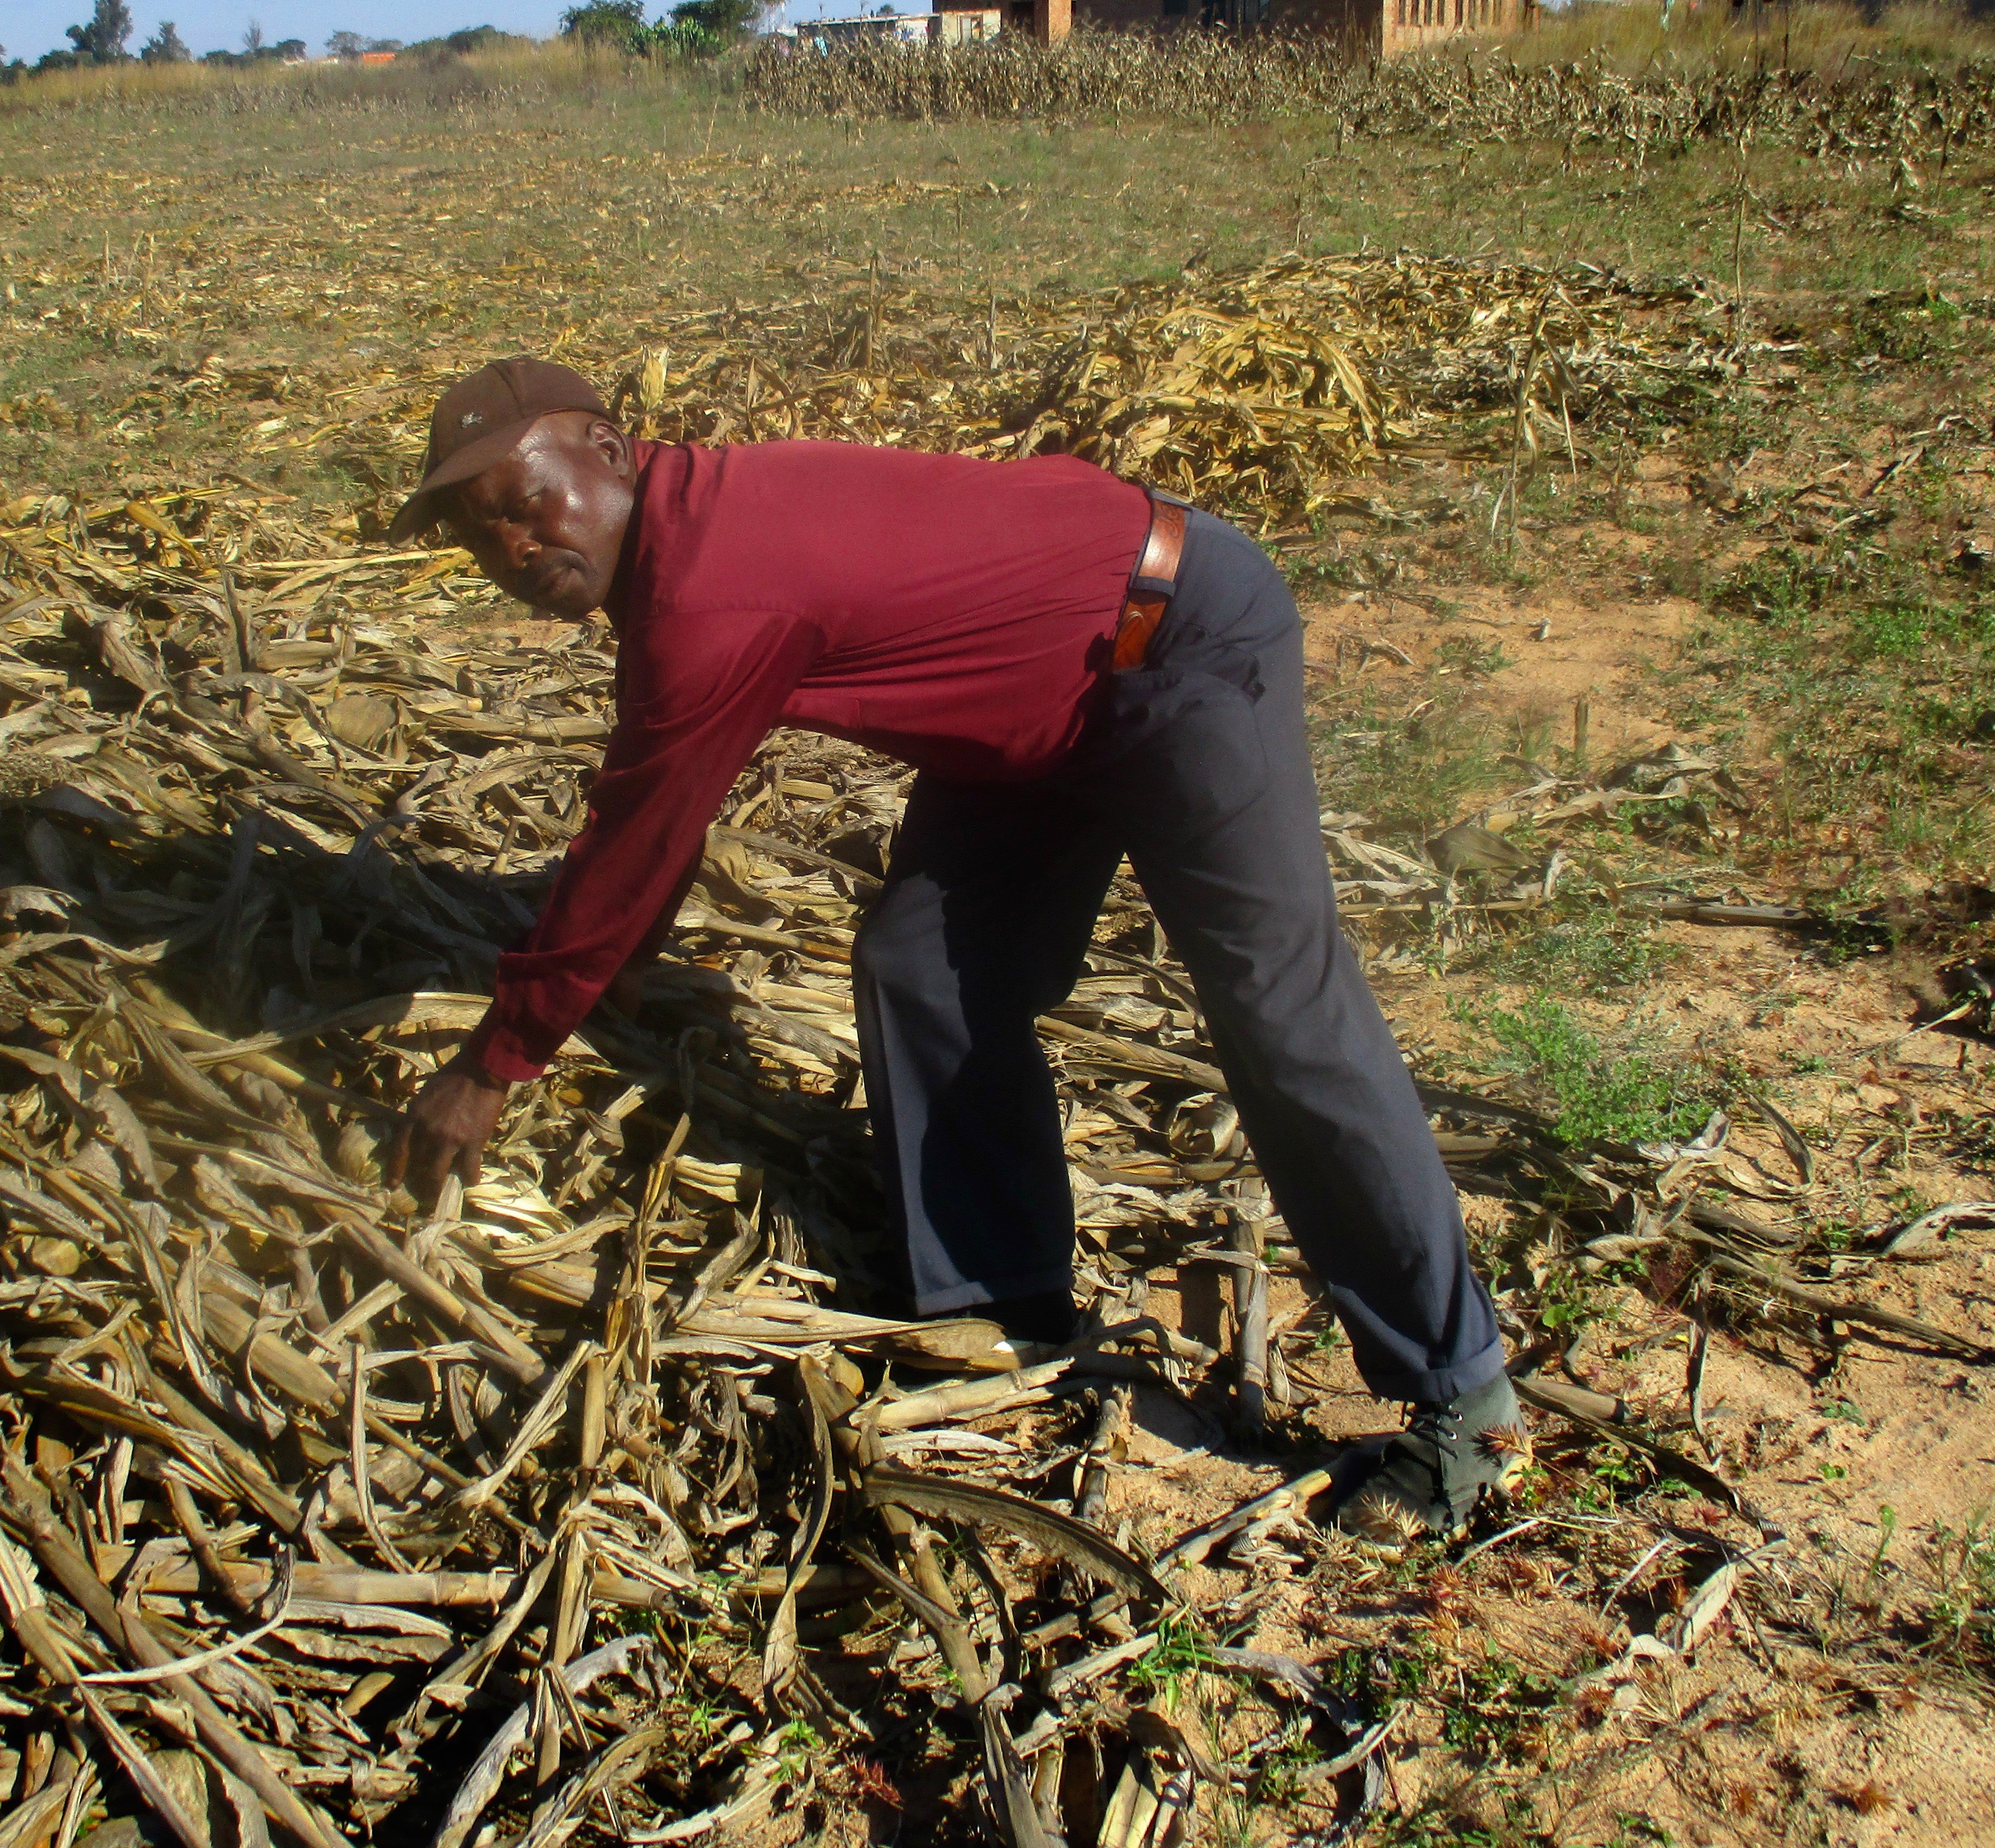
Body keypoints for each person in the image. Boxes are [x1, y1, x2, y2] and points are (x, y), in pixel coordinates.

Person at [382, 357, 1521, 1542]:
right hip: (1042, 702)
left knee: (1278, 1010)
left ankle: (1461, 1398)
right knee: (922, 964)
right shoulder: (685, 550)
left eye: (524, 504)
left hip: (1178, 636)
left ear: (608, 450)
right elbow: (648, 853)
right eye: (481, 537)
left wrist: (490, 1065)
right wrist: (585, 976)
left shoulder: (709, 589)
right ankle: (1002, 1302)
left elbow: (632, 853)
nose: (513, 549)